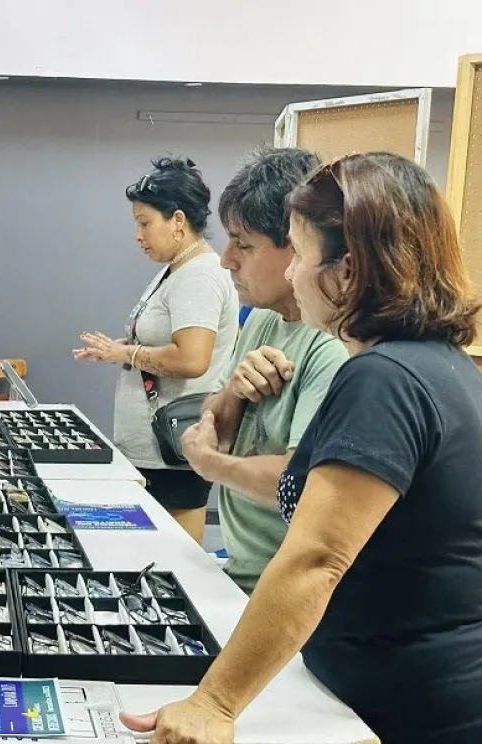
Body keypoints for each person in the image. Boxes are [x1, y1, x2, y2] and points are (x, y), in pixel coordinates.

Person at [121, 152, 482, 743]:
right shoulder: (432, 364)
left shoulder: (385, 378)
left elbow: (318, 557)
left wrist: (214, 702)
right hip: (376, 685)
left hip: (409, 708)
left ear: (346, 271)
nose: (290, 274)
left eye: (302, 255)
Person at [179, 147, 348, 592]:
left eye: (245, 244)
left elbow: (300, 484)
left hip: (284, 589)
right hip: (241, 572)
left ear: (297, 245)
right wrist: (234, 391)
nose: (226, 258)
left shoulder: (333, 348)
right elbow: (217, 422)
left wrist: (211, 464)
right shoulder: (261, 316)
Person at [74, 157, 238, 543]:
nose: (138, 234)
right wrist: (123, 349)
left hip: (172, 453)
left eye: (145, 222)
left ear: (177, 220)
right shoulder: (177, 269)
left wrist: (127, 355)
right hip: (155, 452)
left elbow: (191, 359)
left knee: (175, 563)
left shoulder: (198, 275)